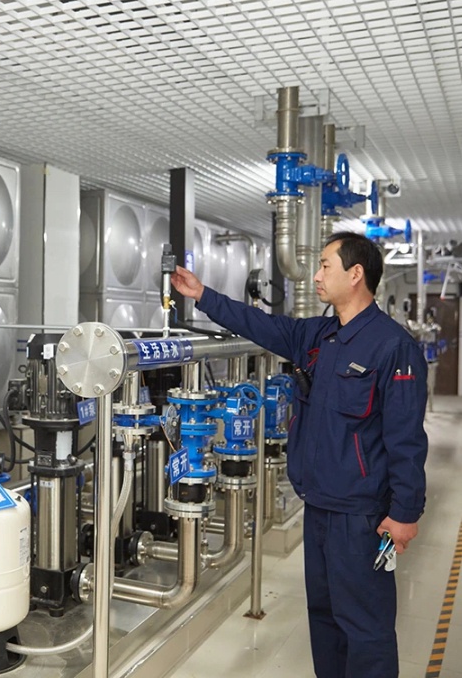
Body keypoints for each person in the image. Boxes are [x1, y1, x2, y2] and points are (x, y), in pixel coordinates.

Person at [171, 231, 427, 678]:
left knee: (365, 628)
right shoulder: (318, 336)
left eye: (325, 266)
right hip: (319, 504)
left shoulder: (392, 347)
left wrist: (405, 513)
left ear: (356, 273)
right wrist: (203, 296)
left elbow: (406, 440)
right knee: (324, 617)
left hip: (360, 514)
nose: (316, 276)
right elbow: (261, 325)